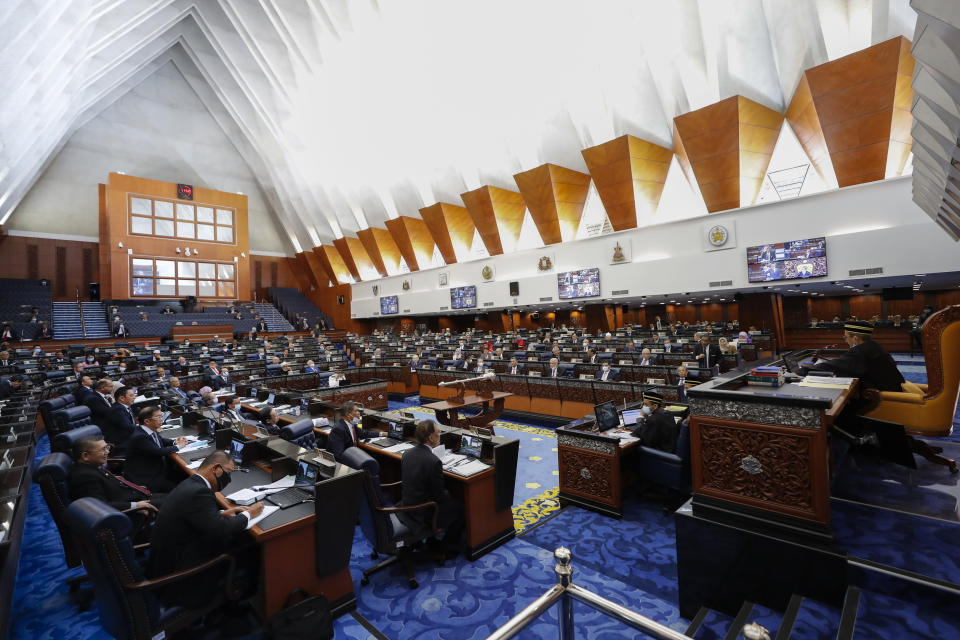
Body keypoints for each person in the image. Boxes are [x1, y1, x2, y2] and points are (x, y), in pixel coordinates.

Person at [148, 451, 262, 608]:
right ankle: (239, 602)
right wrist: (250, 514)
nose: (228, 479)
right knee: (251, 547)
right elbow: (222, 529)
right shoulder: (199, 492)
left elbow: (196, 515)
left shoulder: (191, 483)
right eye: (228, 473)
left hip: (167, 559)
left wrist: (222, 513)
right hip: (181, 575)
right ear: (216, 468)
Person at [400, 420, 465, 555]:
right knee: (460, 507)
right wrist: (451, 493)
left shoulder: (407, 453)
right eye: (438, 433)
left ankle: (431, 540)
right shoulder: (433, 461)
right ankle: (447, 548)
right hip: (423, 512)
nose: (440, 435)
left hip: (406, 504)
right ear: (431, 438)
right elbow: (439, 496)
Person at [807, 321, 904, 393]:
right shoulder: (874, 346)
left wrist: (802, 370)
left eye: (845, 337)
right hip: (893, 391)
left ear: (855, 339)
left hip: (883, 401)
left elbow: (833, 366)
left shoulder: (860, 351)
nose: (845, 340)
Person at [68, 436, 160, 512]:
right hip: (132, 510)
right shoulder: (84, 476)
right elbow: (101, 507)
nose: (107, 452)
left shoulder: (94, 466)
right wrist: (135, 505)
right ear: (85, 456)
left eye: (107, 447)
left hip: (135, 497)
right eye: (103, 449)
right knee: (173, 503)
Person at [123, 406, 188, 493]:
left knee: (183, 475)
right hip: (147, 477)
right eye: (158, 417)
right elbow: (158, 452)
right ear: (147, 421)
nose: (161, 419)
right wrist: (179, 446)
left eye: (161, 415)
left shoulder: (147, 429)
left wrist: (174, 442)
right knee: (181, 485)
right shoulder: (140, 437)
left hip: (157, 470)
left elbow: (160, 440)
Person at [105, 386, 138, 451]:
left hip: (128, 437)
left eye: (134, 395)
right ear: (122, 398)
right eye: (131, 395)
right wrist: (146, 427)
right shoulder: (117, 409)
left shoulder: (125, 406)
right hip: (120, 443)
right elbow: (128, 427)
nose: (134, 397)